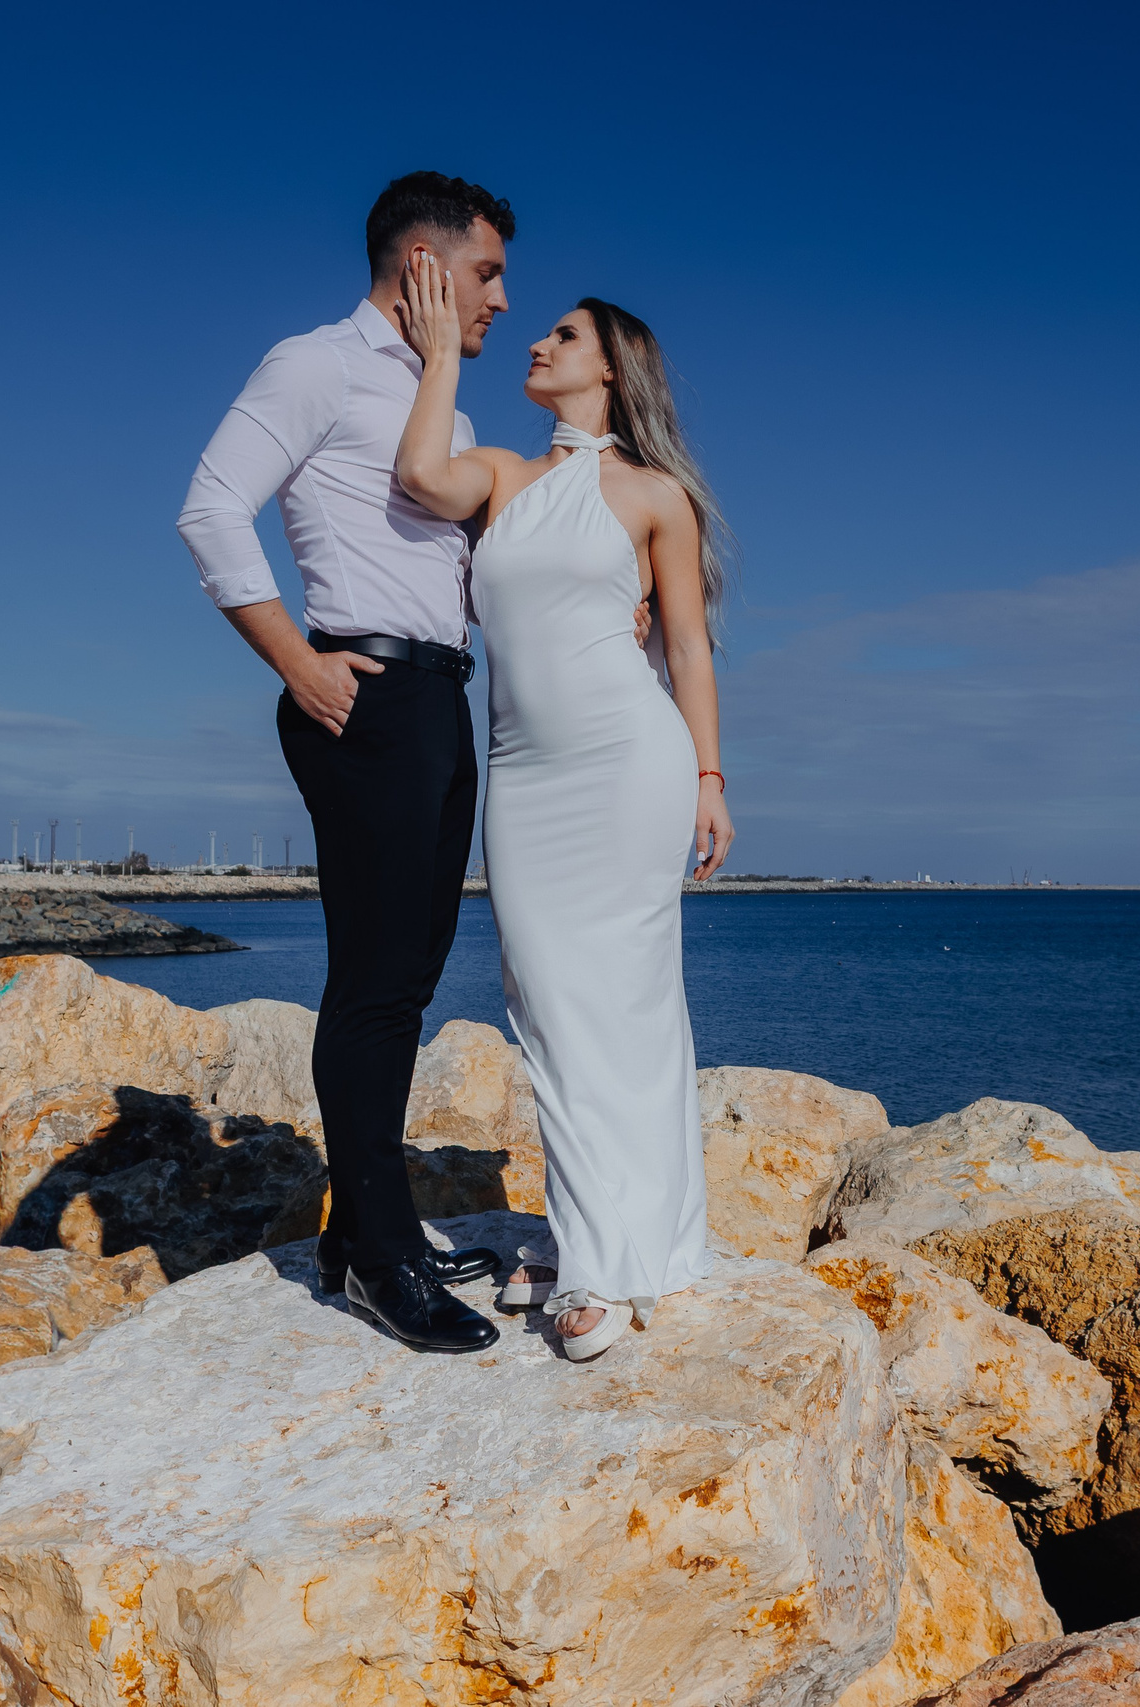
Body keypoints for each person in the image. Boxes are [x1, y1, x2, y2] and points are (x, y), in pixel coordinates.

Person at [174, 171, 521, 1353]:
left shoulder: (444, 401)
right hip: (357, 694)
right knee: (374, 983)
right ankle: (377, 1258)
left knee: (410, 980)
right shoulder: (314, 362)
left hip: (438, 698)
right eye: (486, 273)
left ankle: (364, 1228)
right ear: (421, 266)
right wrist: (295, 663)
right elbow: (211, 508)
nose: (502, 300)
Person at [390, 250, 734, 1361]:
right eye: (536, 332)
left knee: (630, 1003)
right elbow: (415, 478)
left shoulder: (655, 496)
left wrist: (710, 780)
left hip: (631, 762)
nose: (535, 342)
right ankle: (610, 1230)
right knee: (543, 998)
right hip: (528, 778)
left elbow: (686, 644)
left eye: (563, 336)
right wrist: (441, 354)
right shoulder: (498, 473)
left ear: (613, 369)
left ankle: (599, 1263)